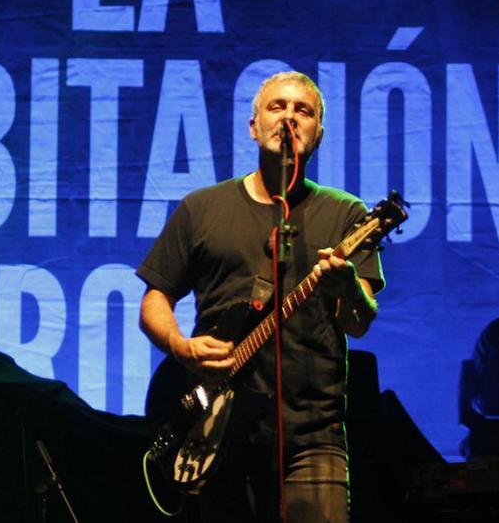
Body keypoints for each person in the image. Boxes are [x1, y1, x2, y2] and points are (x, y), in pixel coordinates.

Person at [137, 71, 383, 523]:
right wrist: (181, 347)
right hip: (219, 430)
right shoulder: (202, 208)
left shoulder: (347, 213)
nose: (289, 117)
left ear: (318, 135)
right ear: (253, 126)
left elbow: (359, 320)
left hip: (311, 434)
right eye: (277, 107)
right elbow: (156, 298)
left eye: (302, 110)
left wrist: (347, 286)